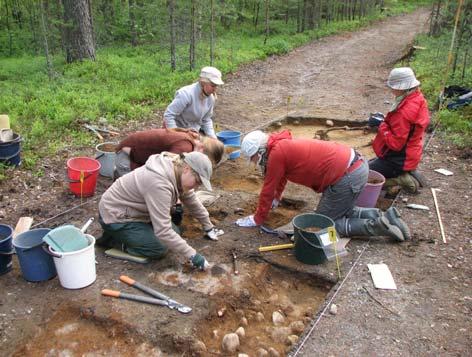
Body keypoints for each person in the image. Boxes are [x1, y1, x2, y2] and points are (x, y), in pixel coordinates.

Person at [235, 130, 411, 241]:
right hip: (355, 167)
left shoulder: (276, 155)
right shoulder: (280, 145)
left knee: (323, 225)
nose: (254, 162)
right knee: (342, 209)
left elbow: (268, 187)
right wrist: (276, 197)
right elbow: (280, 178)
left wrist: (257, 218)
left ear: (260, 151)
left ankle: (378, 226)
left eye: (253, 158)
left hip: (346, 177)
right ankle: (386, 216)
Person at [98, 151, 222, 271]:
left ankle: (132, 236)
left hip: (137, 213)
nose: (197, 187)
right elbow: (163, 231)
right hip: (116, 216)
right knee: (158, 248)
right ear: (187, 169)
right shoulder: (159, 183)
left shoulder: (176, 170)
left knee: (175, 233)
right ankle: (115, 241)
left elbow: (191, 200)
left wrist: (208, 226)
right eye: (197, 182)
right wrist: (194, 256)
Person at [368, 67, 430, 194]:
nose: (391, 90)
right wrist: (385, 119)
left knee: (361, 174)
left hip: (398, 159)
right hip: (410, 153)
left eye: (393, 87)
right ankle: (405, 172)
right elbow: (405, 127)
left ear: (402, 87)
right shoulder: (416, 97)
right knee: (369, 164)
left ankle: (402, 180)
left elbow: (396, 144)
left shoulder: (404, 112)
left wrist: (381, 125)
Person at [113, 128, 224, 178]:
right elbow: (166, 170)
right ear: (204, 151)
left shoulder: (195, 139)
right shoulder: (185, 146)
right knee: (139, 193)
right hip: (126, 158)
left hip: (140, 156)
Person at [163, 66, 224, 138]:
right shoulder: (185, 94)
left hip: (194, 132)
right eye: (213, 86)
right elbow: (169, 115)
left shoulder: (210, 98)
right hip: (177, 130)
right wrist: (175, 135)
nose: (215, 89)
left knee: (212, 146)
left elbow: (206, 119)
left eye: (216, 86)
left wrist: (213, 138)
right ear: (203, 83)